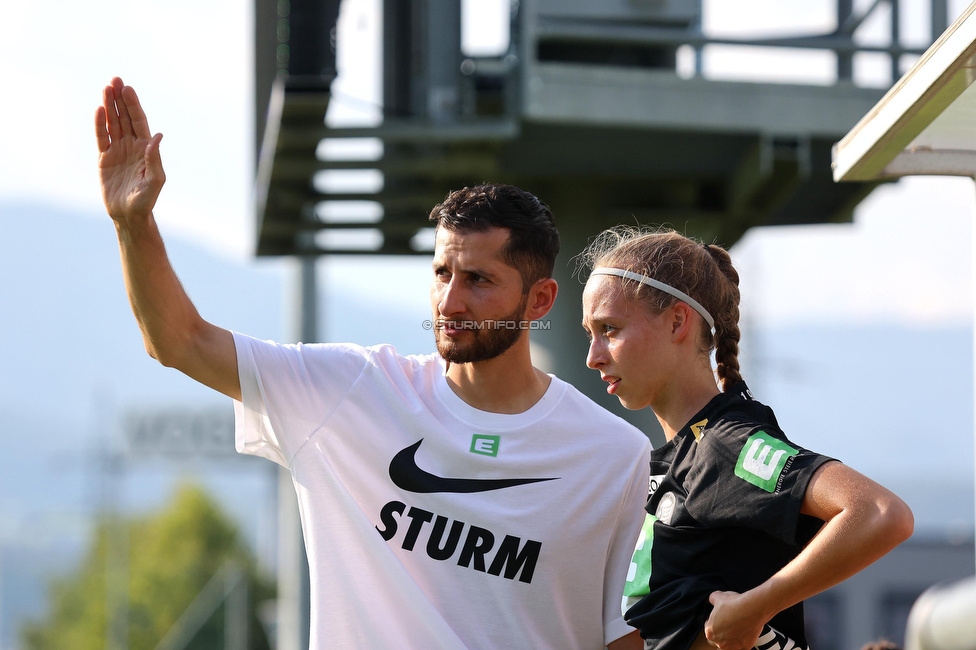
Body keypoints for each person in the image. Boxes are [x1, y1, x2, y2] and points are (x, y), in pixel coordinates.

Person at [95, 77, 651, 649]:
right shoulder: (353, 390)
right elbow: (179, 341)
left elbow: (622, 638)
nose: (450, 301)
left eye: (479, 280)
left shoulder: (613, 455)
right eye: (442, 274)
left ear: (540, 300)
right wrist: (132, 224)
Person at [578, 227, 914, 650]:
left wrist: (757, 607)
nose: (593, 356)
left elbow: (881, 513)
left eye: (609, 329)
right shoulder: (670, 459)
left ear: (678, 321)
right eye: (590, 332)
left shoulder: (725, 445)